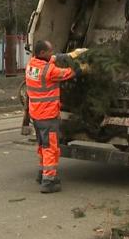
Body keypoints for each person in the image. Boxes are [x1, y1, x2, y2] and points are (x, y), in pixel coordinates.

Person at [26, 40, 89, 193]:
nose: (52, 53)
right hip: (48, 116)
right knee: (51, 148)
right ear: (42, 53)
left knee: (42, 146)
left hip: (36, 115)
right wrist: (83, 69)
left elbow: (53, 58)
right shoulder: (49, 71)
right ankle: (49, 181)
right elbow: (68, 73)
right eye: (49, 51)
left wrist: (71, 55)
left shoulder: (31, 65)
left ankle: (42, 174)